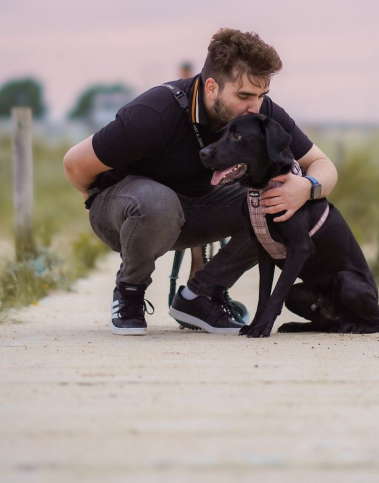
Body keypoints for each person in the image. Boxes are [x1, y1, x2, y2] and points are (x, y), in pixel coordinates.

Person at [63, 29, 338, 335]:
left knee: (276, 201)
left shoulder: (258, 113)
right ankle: (129, 292)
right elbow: (74, 164)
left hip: (195, 208)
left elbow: (324, 165)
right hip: (128, 212)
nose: (255, 107)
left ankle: (200, 296)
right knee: (157, 202)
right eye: (244, 95)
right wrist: (97, 204)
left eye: (262, 96)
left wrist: (306, 188)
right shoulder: (154, 113)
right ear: (211, 86)